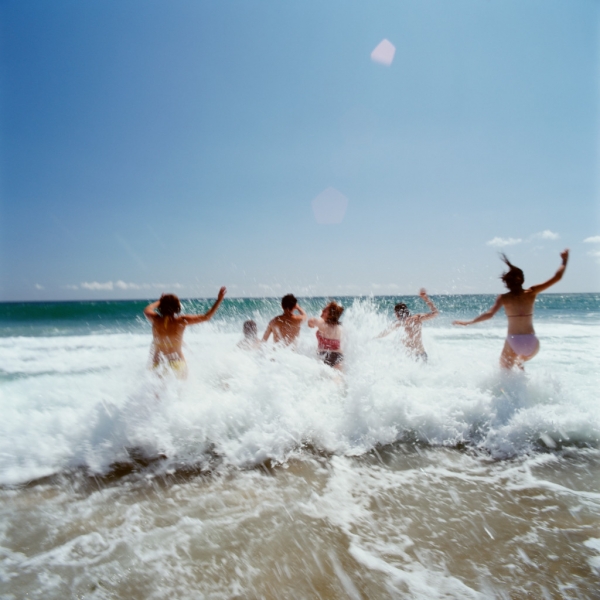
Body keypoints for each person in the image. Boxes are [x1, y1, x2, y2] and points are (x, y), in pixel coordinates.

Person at [453, 249, 569, 370]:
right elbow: (557, 277)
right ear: (522, 280)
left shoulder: (504, 298)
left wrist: (469, 322)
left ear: (506, 283)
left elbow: (490, 314)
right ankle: (521, 367)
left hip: (514, 341)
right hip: (532, 342)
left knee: (505, 373)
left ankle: (517, 370)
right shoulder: (531, 292)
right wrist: (564, 260)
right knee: (519, 361)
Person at [143, 287, 227, 377]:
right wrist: (219, 300)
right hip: (178, 364)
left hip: (158, 365)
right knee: (181, 386)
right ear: (177, 307)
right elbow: (206, 317)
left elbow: (147, 309)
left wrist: (160, 301)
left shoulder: (155, 319)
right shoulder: (182, 320)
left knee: (156, 386)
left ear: (161, 307)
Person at [377, 288, 438, 362]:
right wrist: (425, 298)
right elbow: (435, 313)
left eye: (395, 313)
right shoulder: (415, 319)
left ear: (397, 314)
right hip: (418, 356)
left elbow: (384, 333)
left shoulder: (408, 321)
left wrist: (373, 338)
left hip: (413, 358)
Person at [308, 301, 344, 369]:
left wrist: (310, 323)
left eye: (325, 310)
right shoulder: (339, 327)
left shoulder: (323, 323)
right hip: (339, 356)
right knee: (338, 375)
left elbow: (312, 321)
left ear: (330, 314)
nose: (322, 310)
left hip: (325, 355)